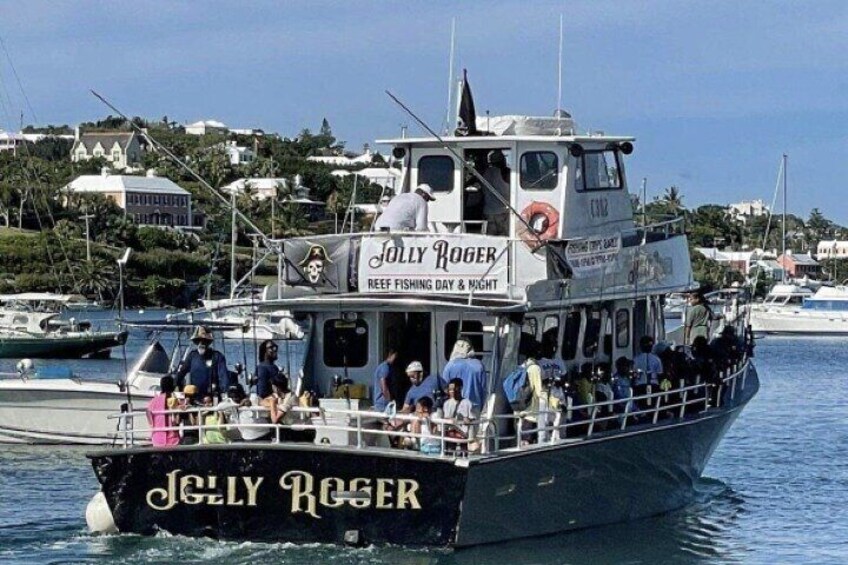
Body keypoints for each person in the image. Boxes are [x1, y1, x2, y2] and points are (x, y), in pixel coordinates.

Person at [175, 326, 230, 398]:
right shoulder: (192, 355)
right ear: (196, 342)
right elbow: (182, 372)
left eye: (204, 341)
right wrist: (175, 385)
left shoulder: (217, 356)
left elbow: (223, 376)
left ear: (208, 342)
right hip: (194, 396)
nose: (201, 343)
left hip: (212, 396)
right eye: (199, 340)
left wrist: (225, 393)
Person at [441, 338, 486, 411]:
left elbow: (445, 389)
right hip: (474, 406)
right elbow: (483, 390)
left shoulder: (449, 366)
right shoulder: (479, 365)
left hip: (454, 407)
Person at [481, 149, 511, 236]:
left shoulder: (485, 173)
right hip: (503, 212)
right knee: (504, 238)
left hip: (489, 212)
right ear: (502, 160)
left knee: (490, 241)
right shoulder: (506, 172)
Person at [147, 376, 180, 447]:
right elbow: (177, 420)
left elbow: (148, 414)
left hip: (157, 439)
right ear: (172, 386)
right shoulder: (175, 400)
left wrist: (152, 425)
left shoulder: (154, 401)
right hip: (173, 440)